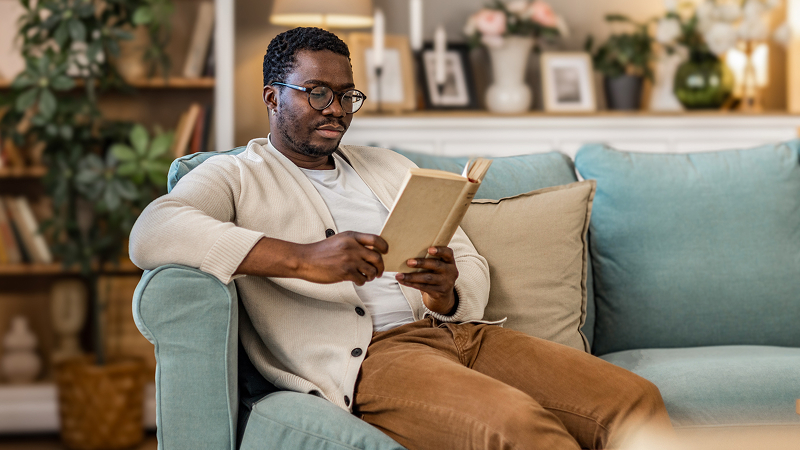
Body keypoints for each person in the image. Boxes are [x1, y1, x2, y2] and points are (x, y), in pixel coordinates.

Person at [130, 27, 673, 450]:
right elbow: (153, 230)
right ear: (273, 98)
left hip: (462, 336)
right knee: (518, 428)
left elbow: (464, 256)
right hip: (372, 358)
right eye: (317, 93)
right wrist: (302, 259)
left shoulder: (386, 164)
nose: (336, 110)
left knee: (634, 402)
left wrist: (446, 291)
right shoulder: (236, 174)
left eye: (347, 96)